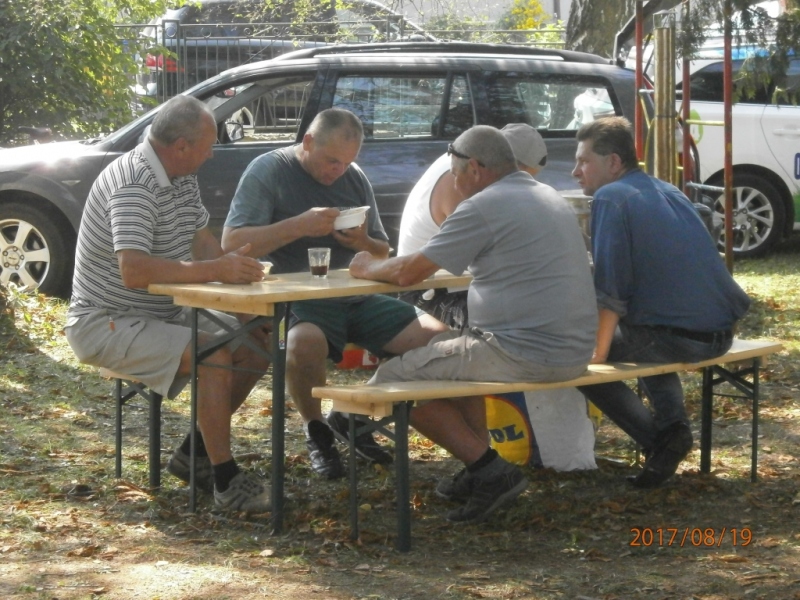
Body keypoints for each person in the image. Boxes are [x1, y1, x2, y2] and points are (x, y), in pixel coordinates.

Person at [349, 125, 597, 523]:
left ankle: (490, 471)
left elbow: (408, 273)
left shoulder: (485, 205)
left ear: (477, 168)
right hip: (575, 351)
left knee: (394, 379)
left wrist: (365, 266)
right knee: (450, 356)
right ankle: (477, 468)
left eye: (456, 172)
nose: (453, 180)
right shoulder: (546, 195)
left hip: (521, 352)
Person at [65, 96, 272, 512]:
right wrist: (218, 271)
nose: (213, 153)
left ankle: (195, 454)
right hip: (105, 322)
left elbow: (201, 241)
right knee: (213, 354)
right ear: (180, 146)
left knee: (256, 343)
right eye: (208, 145)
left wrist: (239, 283)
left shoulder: (180, 173)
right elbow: (135, 271)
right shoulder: (135, 183)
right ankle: (225, 480)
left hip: (159, 312)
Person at [221, 108, 448, 480]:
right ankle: (317, 431)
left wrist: (361, 240)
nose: (337, 171)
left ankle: (354, 413)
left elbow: (381, 252)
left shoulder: (354, 177)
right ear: (308, 142)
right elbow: (232, 242)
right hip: (297, 300)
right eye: (331, 161)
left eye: (346, 162)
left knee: (438, 340)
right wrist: (299, 225)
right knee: (302, 343)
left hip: (355, 296)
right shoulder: (270, 170)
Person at [572, 116, 751, 488]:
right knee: (645, 335)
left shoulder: (609, 197)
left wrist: (596, 353)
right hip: (721, 331)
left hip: (682, 335)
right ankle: (672, 430)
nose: (576, 171)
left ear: (614, 163)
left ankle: (663, 442)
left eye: (584, 161)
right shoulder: (665, 189)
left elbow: (611, 290)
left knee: (570, 357)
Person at [396, 123, 549, 330]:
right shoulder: (460, 177)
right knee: (518, 322)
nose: (518, 184)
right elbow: (488, 253)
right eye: (517, 175)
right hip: (426, 290)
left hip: (457, 284)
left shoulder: (474, 168)